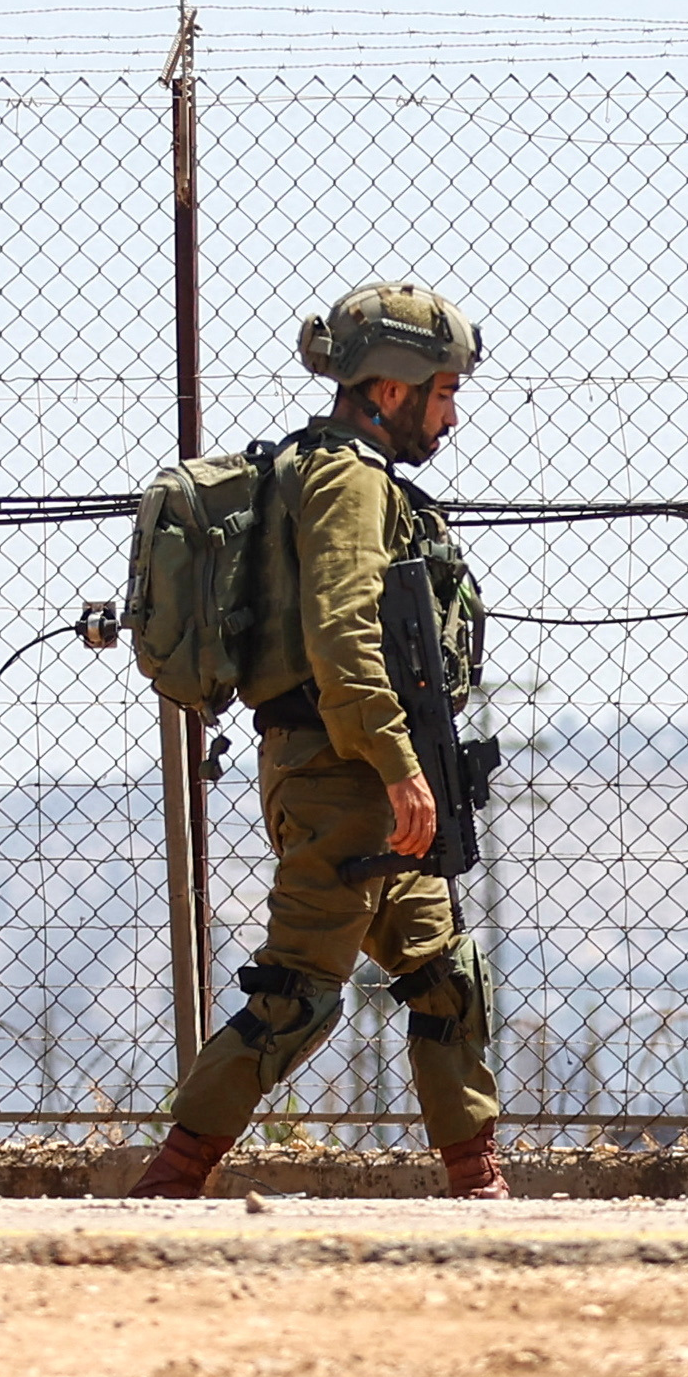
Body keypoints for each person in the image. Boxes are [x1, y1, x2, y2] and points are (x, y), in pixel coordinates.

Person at [133, 283, 505, 1200]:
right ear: (388, 389)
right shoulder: (345, 479)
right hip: (344, 773)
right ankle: (171, 1179)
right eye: (443, 392)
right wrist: (398, 766)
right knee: (296, 992)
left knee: (443, 973)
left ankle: (477, 1179)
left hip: (358, 767)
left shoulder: (337, 470)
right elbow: (343, 637)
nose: (450, 416)